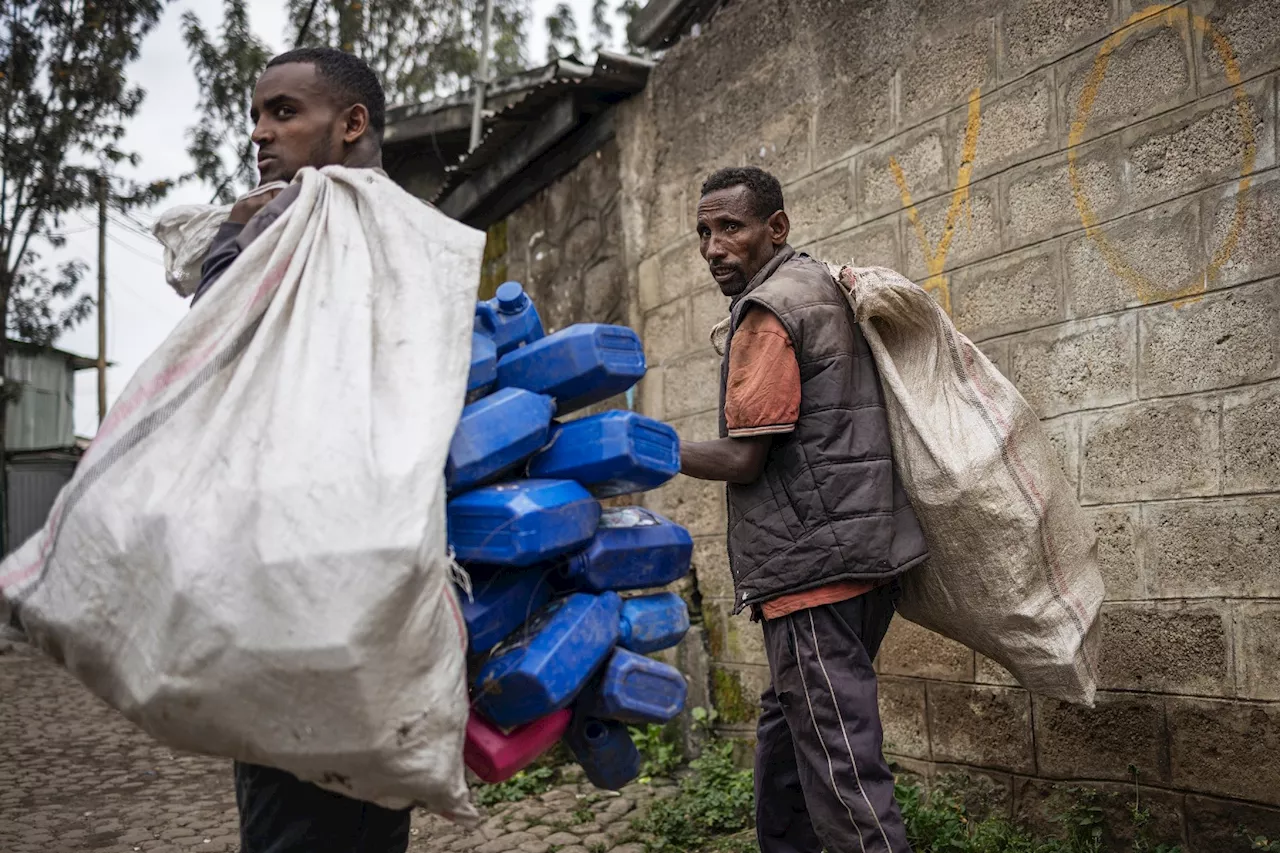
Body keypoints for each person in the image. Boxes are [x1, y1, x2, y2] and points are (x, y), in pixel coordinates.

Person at [194, 47, 411, 853]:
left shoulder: (315, 226)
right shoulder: (402, 227)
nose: (260, 133)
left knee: (301, 826)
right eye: (256, 114)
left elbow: (219, 345)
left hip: (310, 598)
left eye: (284, 112)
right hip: (366, 597)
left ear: (351, 123)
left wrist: (230, 236)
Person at [678, 166, 928, 853]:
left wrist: (648, 446)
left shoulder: (770, 311)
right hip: (858, 557)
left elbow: (744, 457)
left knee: (842, 770)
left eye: (730, 227)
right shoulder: (818, 285)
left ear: (776, 228)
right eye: (703, 232)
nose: (712, 247)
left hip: (813, 575)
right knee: (787, 748)